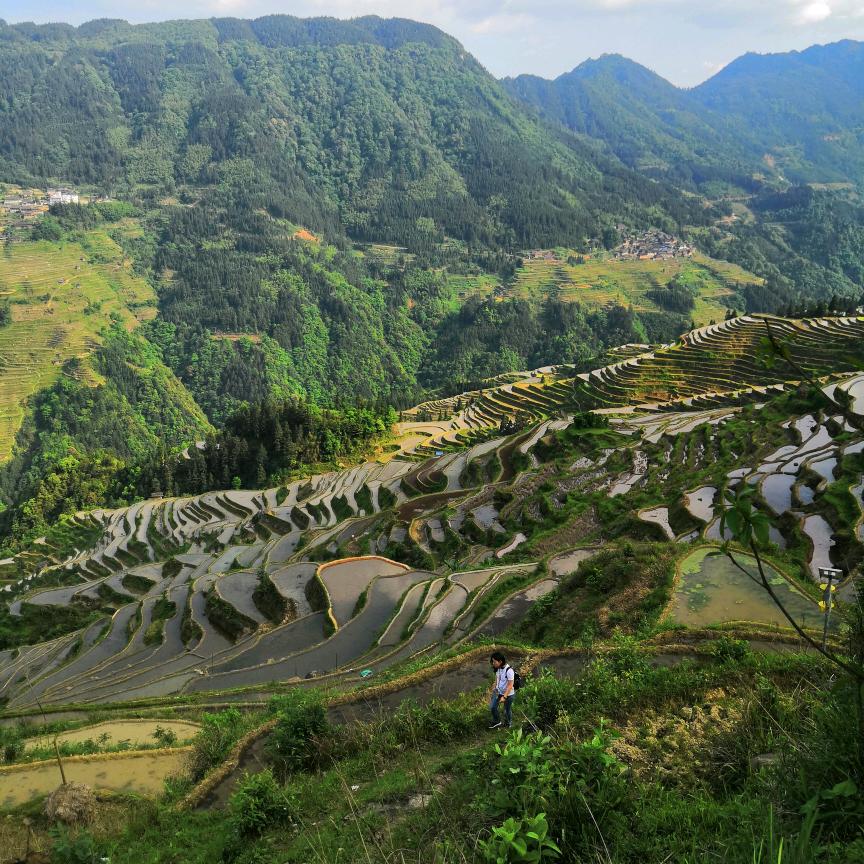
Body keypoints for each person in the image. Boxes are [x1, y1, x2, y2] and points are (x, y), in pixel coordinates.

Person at [488, 651, 514, 729]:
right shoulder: (498, 669)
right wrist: (493, 688)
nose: (493, 663)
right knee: (492, 707)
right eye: (492, 661)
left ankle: (508, 723)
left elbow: (510, 685)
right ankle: (497, 721)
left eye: (494, 662)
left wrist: (504, 697)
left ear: (500, 661)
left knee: (507, 710)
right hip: (498, 692)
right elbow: (497, 679)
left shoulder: (509, 671)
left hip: (508, 694)